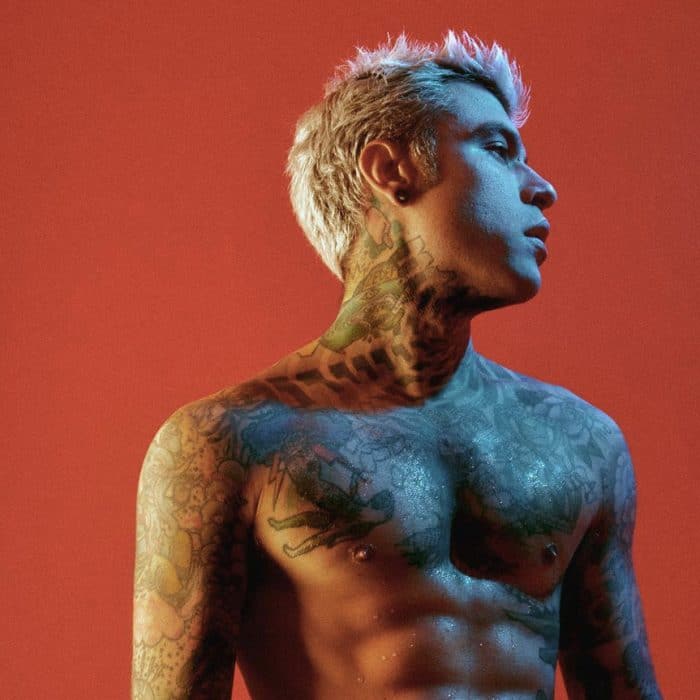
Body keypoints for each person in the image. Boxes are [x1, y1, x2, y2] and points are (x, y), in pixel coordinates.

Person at [131, 31, 661, 699]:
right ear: (390, 171)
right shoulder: (230, 444)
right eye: (498, 150)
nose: (542, 188)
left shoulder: (579, 444)